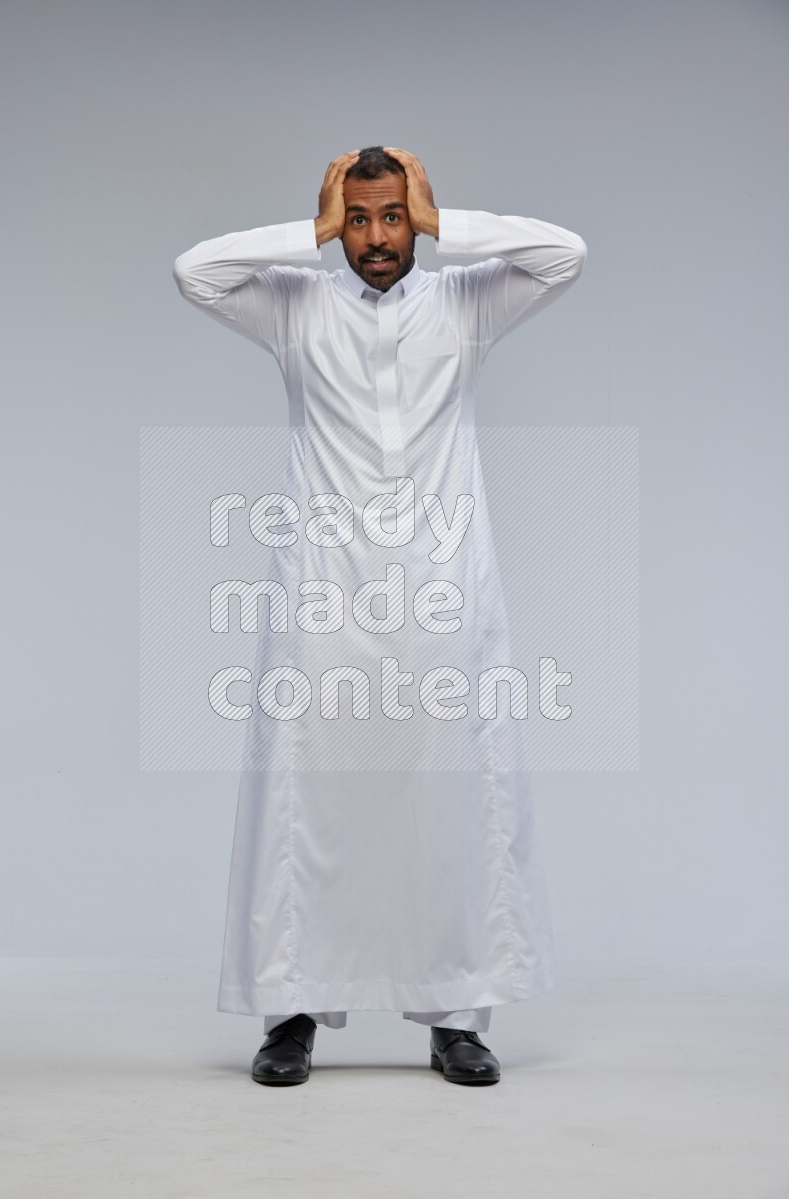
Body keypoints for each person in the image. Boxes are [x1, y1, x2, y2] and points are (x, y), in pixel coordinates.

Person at [172, 146, 586, 1086]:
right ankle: (290, 1014)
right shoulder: (293, 306)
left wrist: (449, 224)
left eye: (391, 218)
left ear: (416, 218)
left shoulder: (465, 305)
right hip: (322, 590)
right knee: (303, 798)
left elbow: (565, 253)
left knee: (450, 798)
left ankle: (457, 1017)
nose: (375, 239)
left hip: (443, 591)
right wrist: (306, 235)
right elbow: (194, 272)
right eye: (358, 220)